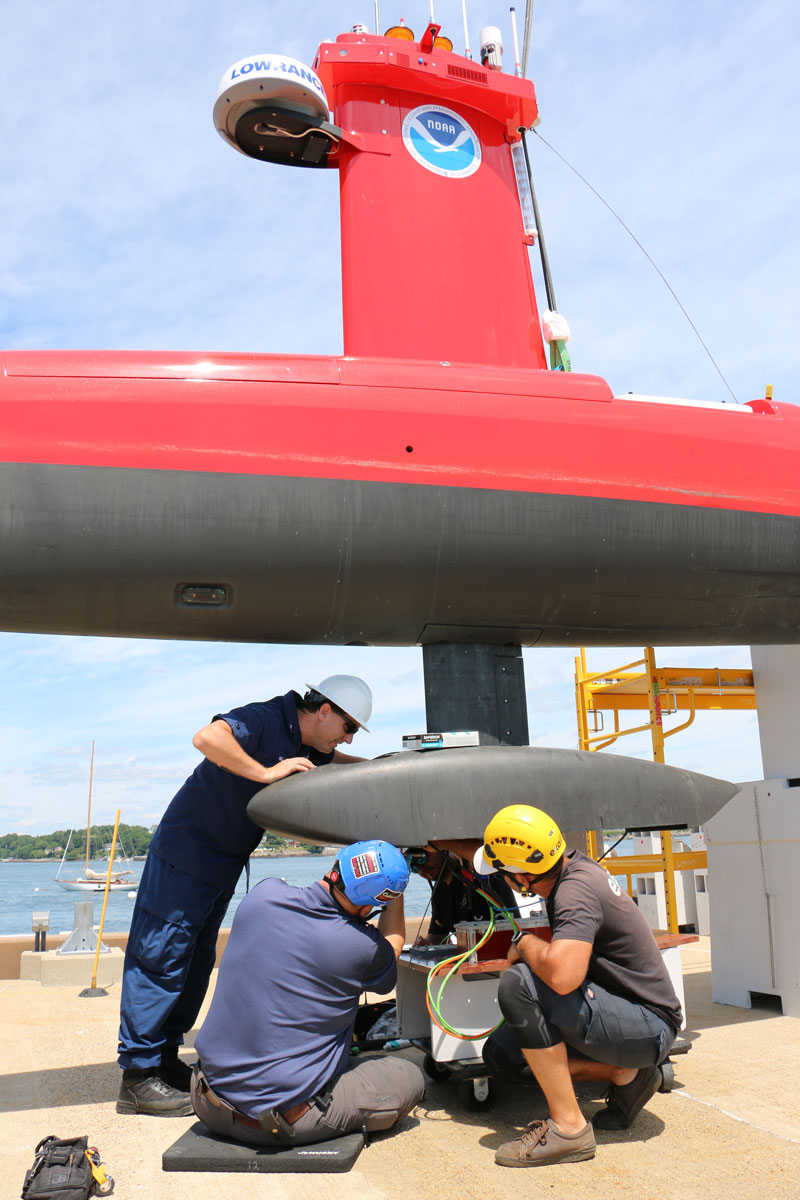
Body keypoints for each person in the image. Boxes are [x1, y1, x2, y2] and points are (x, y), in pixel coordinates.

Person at [116, 674, 372, 1117]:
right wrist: (267, 772)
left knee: (194, 963)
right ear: (324, 710)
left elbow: (339, 763)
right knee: (160, 958)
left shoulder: (314, 748)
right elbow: (207, 738)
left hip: (220, 864)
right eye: (348, 726)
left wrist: (382, 765)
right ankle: (137, 1078)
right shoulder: (266, 717)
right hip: (187, 854)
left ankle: (163, 1060)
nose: (347, 737)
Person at [475, 804, 682, 1168]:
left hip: (649, 1023)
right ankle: (625, 1072)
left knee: (517, 984)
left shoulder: (575, 892)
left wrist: (524, 945)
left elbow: (563, 976)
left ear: (521, 879)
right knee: (503, 1056)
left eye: (502, 874)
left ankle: (569, 1130)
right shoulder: (574, 869)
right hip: (623, 1011)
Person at [191, 840, 425, 1146]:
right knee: (408, 1076)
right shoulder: (360, 946)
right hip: (278, 1123)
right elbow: (391, 947)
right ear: (369, 908)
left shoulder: (262, 896)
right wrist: (395, 895)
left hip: (207, 1100)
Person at [409, 841, 518, 944]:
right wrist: (425, 945)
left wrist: (446, 844)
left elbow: (485, 852)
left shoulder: (480, 872)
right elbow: (437, 934)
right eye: (414, 867)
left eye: (422, 858)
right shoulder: (439, 890)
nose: (421, 869)